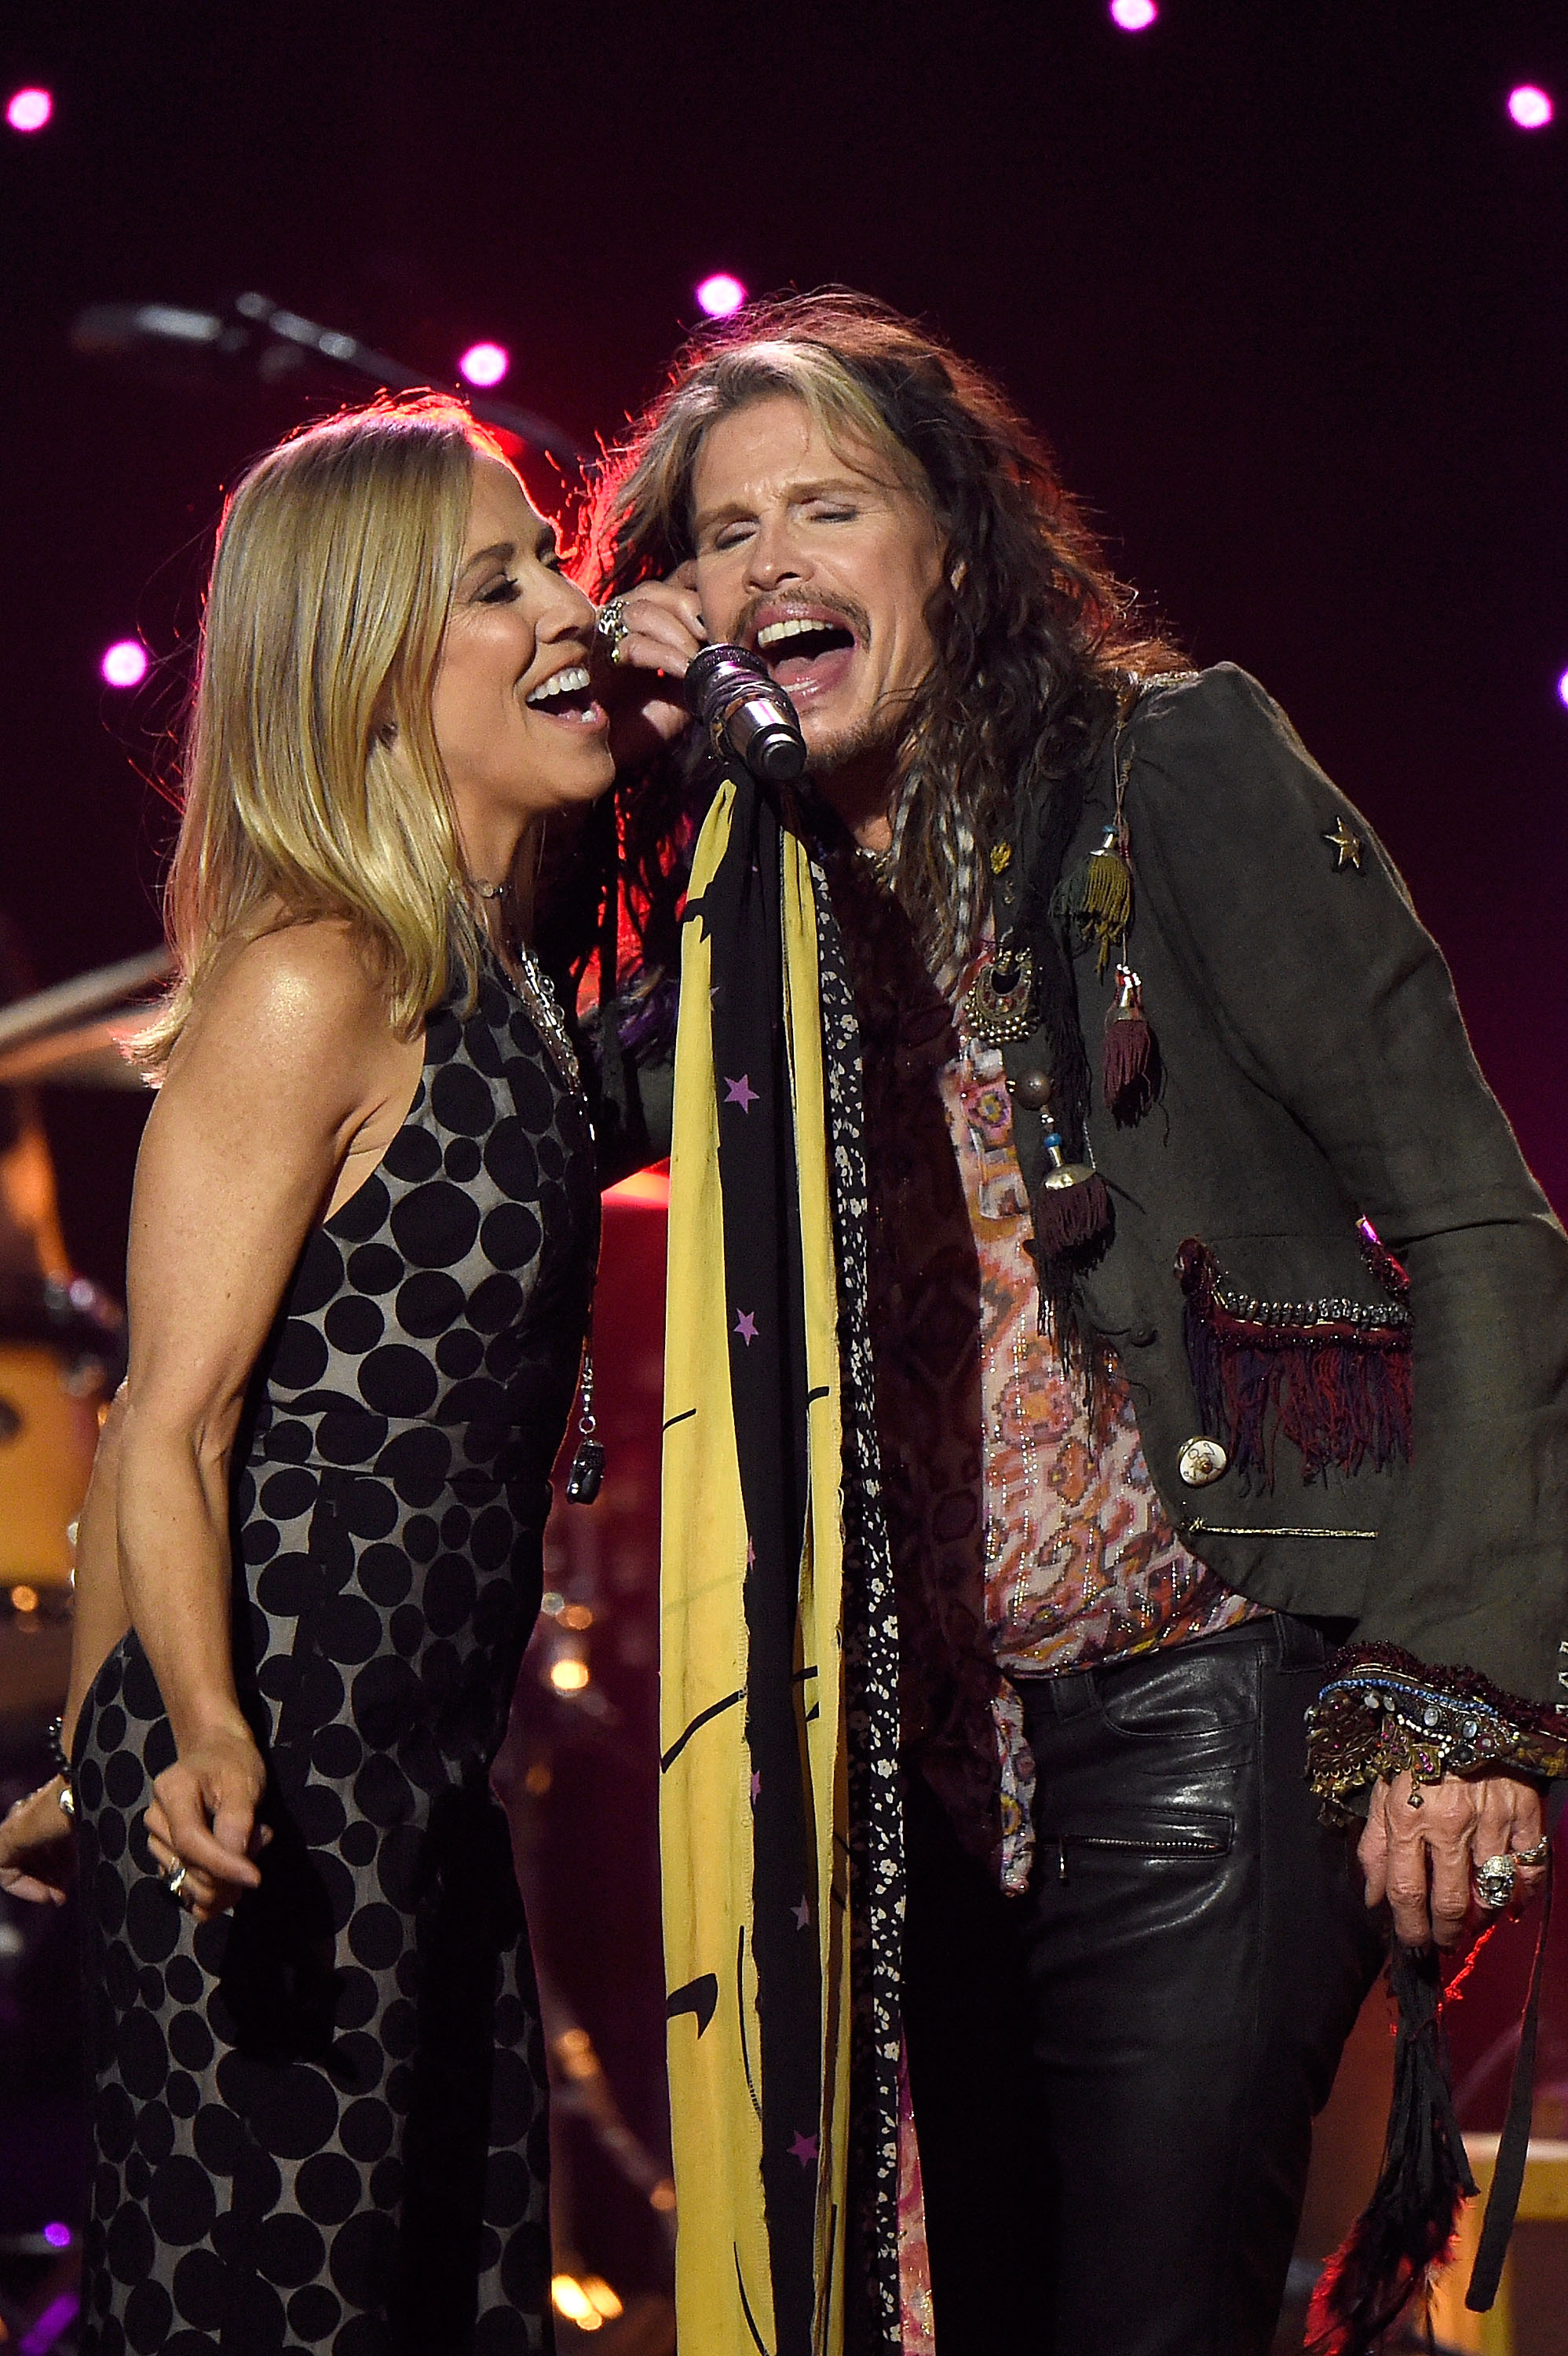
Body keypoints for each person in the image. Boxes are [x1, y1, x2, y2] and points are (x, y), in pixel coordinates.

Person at [582, 294, 1568, 2356]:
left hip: (1202, 1691)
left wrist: (1455, 1696)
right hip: (916, 1768)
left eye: (825, 508)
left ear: (948, 545)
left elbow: (1482, 1225)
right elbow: (545, 1117)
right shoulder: (749, 891)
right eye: (721, 534)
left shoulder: (1163, 769)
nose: (766, 566)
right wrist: (611, 758)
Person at [0, 393, 618, 2356]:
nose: (570, 610)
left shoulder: (507, 997)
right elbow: (168, 1424)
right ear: (364, 678)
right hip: (276, 1801)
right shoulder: (314, 979)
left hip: (418, 1798)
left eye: (552, 562)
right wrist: (171, 1734)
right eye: (496, 586)